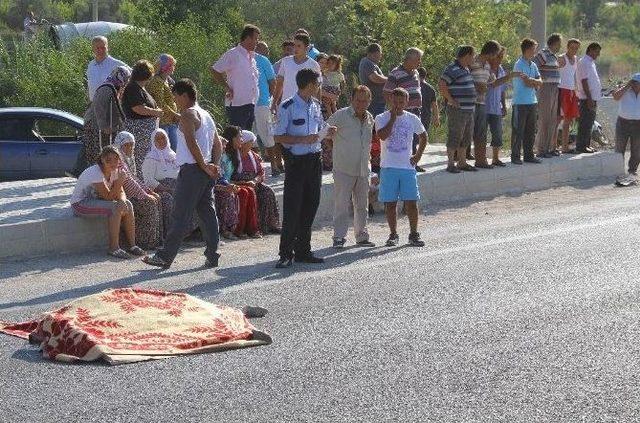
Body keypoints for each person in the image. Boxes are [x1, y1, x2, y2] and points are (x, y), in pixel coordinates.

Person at [143, 79, 222, 269]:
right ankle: (213, 254)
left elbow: (191, 143)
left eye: (176, 96)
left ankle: (165, 256)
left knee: (180, 215)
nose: (175, 100)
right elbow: (218, 144)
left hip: (193, 170)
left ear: (184, 95)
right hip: (204, 170)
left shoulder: (188, 114)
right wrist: (214, 166)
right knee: (207, 213)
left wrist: (204, 165)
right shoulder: (206, 115)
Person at [273, 68, 336, 268]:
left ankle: (303, 250)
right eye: (317, 84)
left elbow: (319, 127)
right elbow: (279, 137)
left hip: (314, 159)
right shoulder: (288, 106)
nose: (319, 87)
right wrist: (301, 139)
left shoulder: (315, 105)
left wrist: (327, 132)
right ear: (309, 84)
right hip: (297, 162)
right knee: (293, 207)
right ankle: (285, 252)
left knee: (311, 204)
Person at [70, 146, 144, 259]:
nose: (113, 162)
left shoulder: (115, 171)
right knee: (114, 208)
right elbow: (108, 197)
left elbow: (121, 192)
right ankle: (113, 248)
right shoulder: (95, 172)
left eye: (116, 159)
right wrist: (120, 182)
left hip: (96, 201)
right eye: (108, 160)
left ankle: (132, 246)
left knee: (128, 204)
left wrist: (123, 200)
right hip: (80, 204)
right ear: (102, 160)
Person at [375, 88, 427, 247]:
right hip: (389, 167)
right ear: (390, 100)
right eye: (395, 102)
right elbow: (382, 136)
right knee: (390, 203)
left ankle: (413, 234)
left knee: (411, 202)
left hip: (407, 167)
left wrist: (418, 155)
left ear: (406, 102)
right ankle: (393, 234)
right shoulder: (381, 117)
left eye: (401, 102)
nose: (398, 105)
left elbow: (423, 135)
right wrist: (392, 119)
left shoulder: (412, 118)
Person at [326, 85, 375, 249]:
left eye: (365, 100)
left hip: (363, 169)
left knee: (362, 205)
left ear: (369, 101)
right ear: (352, 100)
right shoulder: (341, 115)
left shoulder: (370, 118)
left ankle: (361, 236)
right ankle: (339, 237)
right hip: (343, 168)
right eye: (358, 100)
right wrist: (331, 139)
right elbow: (325, 131)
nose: (361, 104)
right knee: (341, 204)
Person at [224, 127, 281, 236]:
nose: (252, 145)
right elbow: (229, 176)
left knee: (268, 192)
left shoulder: (254, 156)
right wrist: (245, 182)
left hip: (253, 182)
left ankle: (269, 224)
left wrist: (255, 181)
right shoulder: (233, 156)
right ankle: (247, 228)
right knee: (247, 192)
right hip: (239, 183)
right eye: (250, 142)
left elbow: (261, 172)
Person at [75, 66, 131, 177]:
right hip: (96, 126)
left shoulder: (114, 87)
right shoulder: (106, 88)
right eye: (126, 78)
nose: (127, 81)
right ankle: (95, 177)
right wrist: (103, 126)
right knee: (98, 152)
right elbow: (98, 106)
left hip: (102, 126)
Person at [113, 131, 162, 250]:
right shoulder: (116, 161)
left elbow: (134, 179)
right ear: (119, 146)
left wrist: (149, 191)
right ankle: (145, 242)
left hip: (132, 194)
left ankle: (157, 239)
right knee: (148, 203)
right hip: (120, 195)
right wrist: (145, 195)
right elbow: (128, 183)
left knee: (159, 199)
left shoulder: (128, 160)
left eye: (131, 144)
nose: (130, 148)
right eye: (126, 145)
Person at [212, 24, 261, 131]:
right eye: (256, 39)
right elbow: (215, 70)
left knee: (247, 137)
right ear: (248, 38)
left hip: (250, 104)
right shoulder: (233, 54)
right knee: (236, 138)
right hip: (236, 105)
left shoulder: (251, 58)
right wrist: (227, 88)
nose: (257, 42)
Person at [383, 47, 425, 172]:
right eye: (418, 60)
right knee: (405, 137)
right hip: (402, 112)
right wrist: (395, 108)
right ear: (409, 59)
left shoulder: (416, 72)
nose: (419, 63)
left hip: (416, 111)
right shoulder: (396, 73)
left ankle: (413, 161)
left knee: (416, 137)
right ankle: (406, 163)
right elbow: (386, 92)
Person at [122, 60, 163, 178]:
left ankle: (144, 183)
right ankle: (139, 185)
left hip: (146, 130)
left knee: (145, 158)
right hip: (138, 130)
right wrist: (156, 112)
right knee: (140, 158)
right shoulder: (132, 88)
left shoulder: (140, 88)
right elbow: (137, 108)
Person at [439, 45, 477, 173]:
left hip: (469, 109)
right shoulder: (452, 68)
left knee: (466, 136)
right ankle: (450, 163)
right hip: (458, 110)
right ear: (467, 55)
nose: (474, 57)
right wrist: (450, 99)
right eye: (473, 55)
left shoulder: (466, 69)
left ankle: (462, 162)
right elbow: (442, 84)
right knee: (455, 135)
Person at [469, 40, 501, 168]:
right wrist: (477, 86)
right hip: (469, 102)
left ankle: (481, 161)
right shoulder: (472, 61)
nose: (496, 57)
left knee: (481, 133)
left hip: (482, 103)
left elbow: (493, 83)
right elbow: (463, 77)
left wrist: (510, 76)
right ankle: (459, 160)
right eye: (496, 54)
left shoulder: (488, 66)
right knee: (466, 132)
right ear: (491, 52)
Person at [511, 38, 543, 164]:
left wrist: (535, 81)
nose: (534, 52)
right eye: (533, 49)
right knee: (518, 130)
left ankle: (529, 155)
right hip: (520, 102)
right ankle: (515, 156)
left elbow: (540, 81)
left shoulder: (533, 65)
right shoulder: (519, 64)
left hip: (532, 101)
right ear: (527, 50)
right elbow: (527, 83)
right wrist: (534, 82)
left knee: (530, 130)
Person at [254, 41, 283, 176]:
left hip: (262, 103)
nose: (267, 52)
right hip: (246, 103)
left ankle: (274, 165)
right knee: (250, 135)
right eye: (264, 49)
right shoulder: (245, 59)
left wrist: (269, 99)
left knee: (268, 134)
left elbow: (273, 82)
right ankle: (252, 167)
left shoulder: (264, 61)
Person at [273, 33, 322, 109]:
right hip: (286, 106)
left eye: (299, 46)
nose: (296, 48)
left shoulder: (313, 65)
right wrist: (274, 102)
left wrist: (318, 106)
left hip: (305, 107)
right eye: (294, 45)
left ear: (307, 48)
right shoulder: (285, 61)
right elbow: (279, 83)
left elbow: (317, 87)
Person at [533, 33, 562, 158]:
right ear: (554, 43)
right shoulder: (543, 54)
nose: (560, 46)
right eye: (559, 43)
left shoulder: (554, 56)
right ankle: (541, 149)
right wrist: (540, 79)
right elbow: (534, 67)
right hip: (545, 89)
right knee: (544, 119)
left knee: (552, 119)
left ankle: (550, 147)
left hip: (555, 88)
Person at [147, 54, 181, 151]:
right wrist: (175, 114)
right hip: (163, 121)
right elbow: (160, 103)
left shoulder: (168, 81)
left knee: (174, 150)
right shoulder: (156, 81)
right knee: (168, 149)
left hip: (171, 121)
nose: (173, 68)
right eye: (171, 65)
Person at [485, 47, 510, 167]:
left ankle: (495, 158)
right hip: (484, 106)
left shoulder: (500, 70)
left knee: (497, 133)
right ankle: (480, 159)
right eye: (498, 57)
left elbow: (502, 90)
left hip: (496, 107)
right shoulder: (485, 68)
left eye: (501, 57)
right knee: (480, 133)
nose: (500, 60)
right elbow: (493, 84)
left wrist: (504, 105)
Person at [576, 42, 602, 154]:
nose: (598, 54)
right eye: (597, 51)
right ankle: (581, 146)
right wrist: (589, 98)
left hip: (592, 98)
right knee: (585, 123)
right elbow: (584, 81)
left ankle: (586, 145)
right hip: (587, 98)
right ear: (590, 50)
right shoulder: (584, 62)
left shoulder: (591, 62)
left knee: (589, 123)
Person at [612, 74, 640, 180]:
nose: (636, 85)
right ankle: (618, 170)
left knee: (637, 149)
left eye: (638, 83)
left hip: (638, 124)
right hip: (623, 123)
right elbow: (615, 97)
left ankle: (632, 170)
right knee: (619, 148)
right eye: (634, 82)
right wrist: (627, 86)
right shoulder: (625, 90)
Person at [557, 38, 582, 154]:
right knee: (558, 120)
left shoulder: (576, 59)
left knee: (568, 121)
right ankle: (552, 146)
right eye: (572, 47)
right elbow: (554, 73)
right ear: (567, 47)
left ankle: (564, 147)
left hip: (572, 91)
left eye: (576, 48)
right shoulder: (562, 58)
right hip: (562, 90)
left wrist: (577, 90)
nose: (574, 50)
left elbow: (575, 76)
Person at [86, 36, 127, 102]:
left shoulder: (116, 64)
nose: (100, 50)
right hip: (94, 104)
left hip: (110, 105)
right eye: (97, 48)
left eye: (103, 47)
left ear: (107, 48)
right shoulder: (91, 65)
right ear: (93, 49)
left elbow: (133, 77)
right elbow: (90, 84)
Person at [359, 43, 388, 117]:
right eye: (380, 54)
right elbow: (374, 78)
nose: (380, 56)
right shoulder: (367, 62)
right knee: (376, 124)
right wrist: (390, 79)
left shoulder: (372, 63)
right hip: (374, 102)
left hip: (378, 101)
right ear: (374, 53)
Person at [417, 67, 440, 137]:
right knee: (423, 137)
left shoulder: (414, 86)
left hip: (415, 114)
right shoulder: (431, 89)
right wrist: (436, 119)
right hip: (426, 116)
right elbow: (434, 105)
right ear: (425, 75)